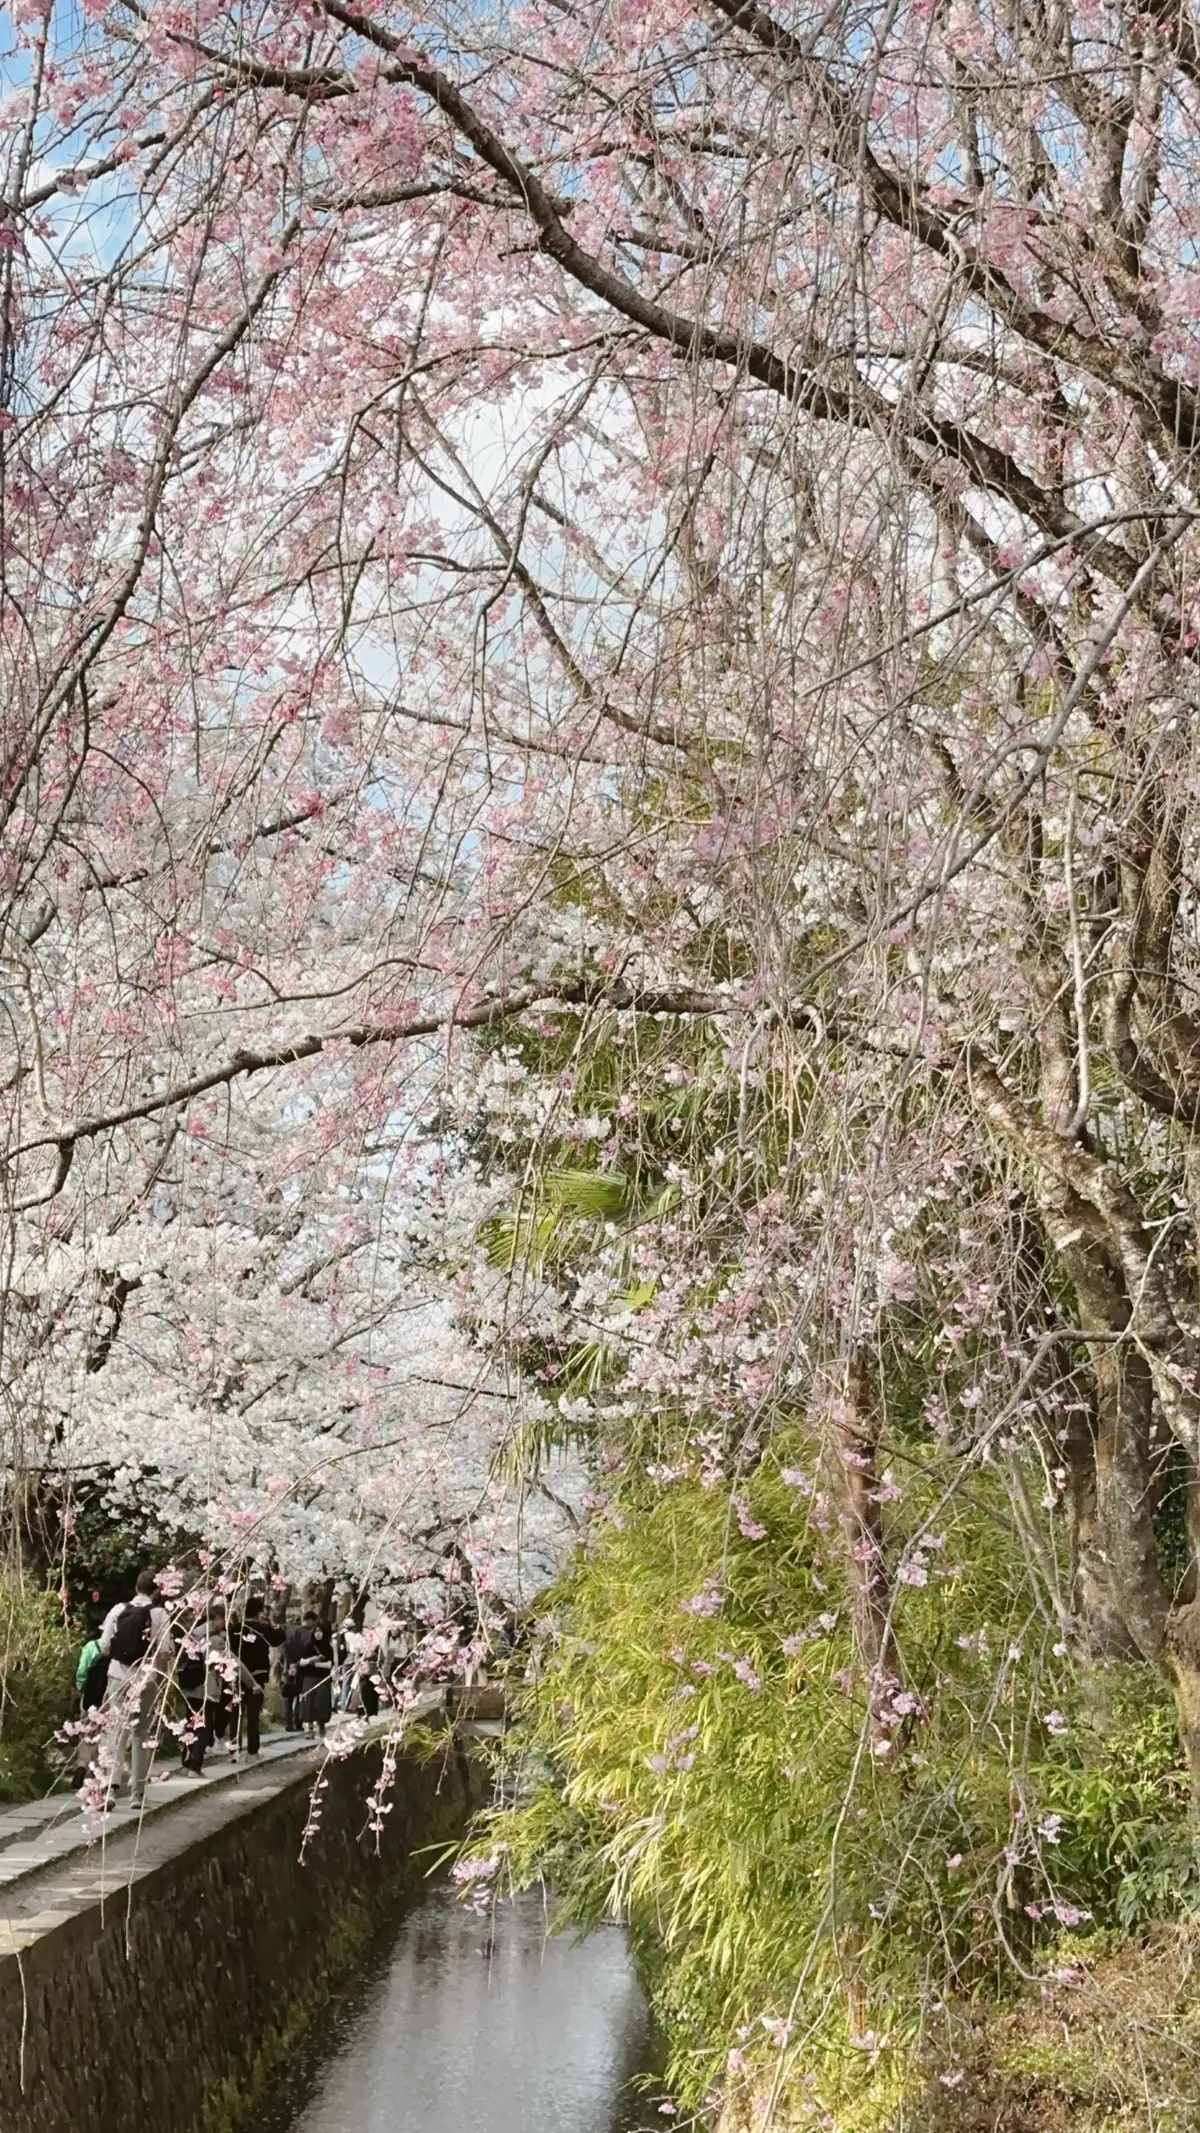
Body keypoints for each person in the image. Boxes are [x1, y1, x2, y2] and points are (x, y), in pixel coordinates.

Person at [98, 1569, 172, 1810]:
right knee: (140, 1734)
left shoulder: (118, 1610)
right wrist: (158, 1682)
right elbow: (164, 1653)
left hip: (119, 1676)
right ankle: (137, 1794)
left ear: (136, 1587)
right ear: (157, 1590)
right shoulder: (159, 1613)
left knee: (117, 1732)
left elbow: (104, 1647)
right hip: (147, 1679)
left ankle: (110, 1790)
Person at [232, 1594, 284, 1757]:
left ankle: (234, 1750)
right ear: (259, 1613)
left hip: (235, 1675)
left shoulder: (233, 1629)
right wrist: (272, 1623)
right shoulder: (263, 1629)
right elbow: (279, 1639)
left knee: (236, 1714)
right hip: (257, 1676)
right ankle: (252, 1751)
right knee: (253, 1716)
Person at [294, 1611, 335, 1739]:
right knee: (308, 1704)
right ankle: (310, 1729)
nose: (318, 1634)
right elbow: (301, 1661)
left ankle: (321, 1725)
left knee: (321, 1704)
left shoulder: (328, 1648)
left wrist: (316, 1664)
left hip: (322, 1679)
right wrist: (311, 1660)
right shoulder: (308, 1646)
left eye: (320, 1631)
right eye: (316, 1631)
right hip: (309, 1678)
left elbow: (329, 1664)